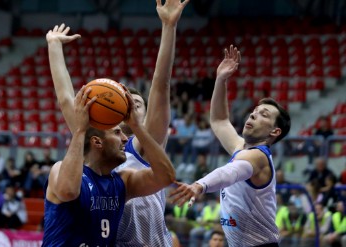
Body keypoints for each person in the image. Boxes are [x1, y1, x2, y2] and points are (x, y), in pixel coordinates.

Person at [46, 0, 189, 245]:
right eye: (122, 104)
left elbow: (161, 85)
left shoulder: (140, 148)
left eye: (135, 105)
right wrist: (54, 46)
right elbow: (65, 98)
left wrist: (169, 27)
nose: (126, 109)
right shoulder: (89, 137)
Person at [171, 45, 291, 247]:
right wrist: (220, 80)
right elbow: (219, 120)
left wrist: (200, 185)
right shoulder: (242, 149)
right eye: (255, 110)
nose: (253, 114)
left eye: (264, 115)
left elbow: (230, 172)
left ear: (274, 132)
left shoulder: (258, 157)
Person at [42, 86, 175, 246]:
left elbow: (166, 176)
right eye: (117, 133)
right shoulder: (60, 168)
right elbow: (68, 191)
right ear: (97, 141)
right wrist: (80, 131)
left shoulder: (123, 181)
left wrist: (137, 127)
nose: (125, 139)